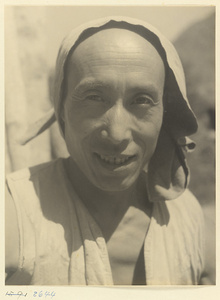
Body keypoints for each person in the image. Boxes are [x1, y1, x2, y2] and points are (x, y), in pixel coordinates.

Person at [5, 16, 207, 285]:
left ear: (165, 115)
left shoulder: (187, 219)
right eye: (94, 98)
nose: (117, 134)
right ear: (61, 110)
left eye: (142, 101)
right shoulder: (11, 216)